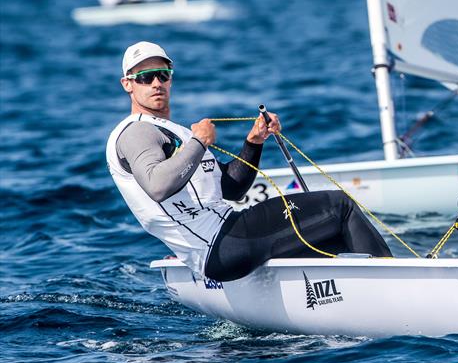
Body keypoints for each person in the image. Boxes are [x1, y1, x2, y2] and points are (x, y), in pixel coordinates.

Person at [106, 41, 392, 282]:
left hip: (227, 240)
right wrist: (199, 142)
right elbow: (158, 186)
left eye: (163, 74)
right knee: (338, 206)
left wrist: (253, 142)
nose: (156, 83)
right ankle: (390, 285)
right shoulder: (137, 132)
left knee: (330, 235)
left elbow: (231, 189)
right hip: (221, 244)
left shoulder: (175, 131)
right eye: (145, 77)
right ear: (127, 84)